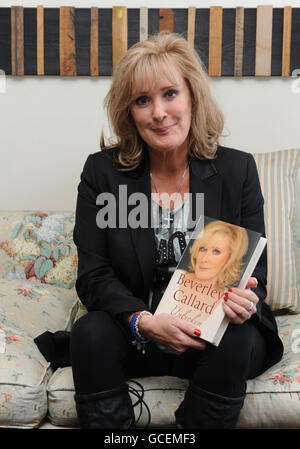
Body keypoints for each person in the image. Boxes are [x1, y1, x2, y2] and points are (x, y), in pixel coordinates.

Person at [69, 32, 283, 429]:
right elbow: (94, 276)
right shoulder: (102, 174)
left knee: (238, 336)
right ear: (128, 112)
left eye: (170, 93)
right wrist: (144, 321)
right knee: (89, 332)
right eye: (142, 100)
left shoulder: (238, 170)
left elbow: (256, 274)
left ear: (192, 96)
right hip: (137, 332)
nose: (159, 113)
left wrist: (245, 301)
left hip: (216, 338)